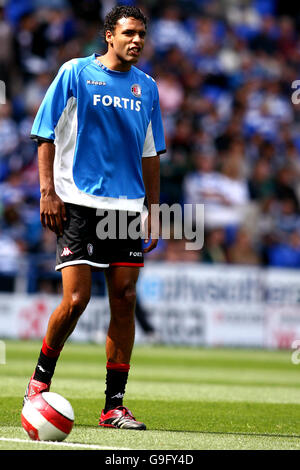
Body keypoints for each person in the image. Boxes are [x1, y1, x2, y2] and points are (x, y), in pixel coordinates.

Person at [23, 5, 166, 431]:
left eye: (141, 33)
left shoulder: (148, 88)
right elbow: (45, 133)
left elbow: (151, 153)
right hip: (77, 201)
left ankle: (113, 407)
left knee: (124, 300)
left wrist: (153, 211)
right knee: (76, 300)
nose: (136, 40)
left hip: (126, 209)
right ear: (109, 35)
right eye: (128, 33)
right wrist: (47, 191)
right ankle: (38, 381)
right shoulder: (75, 73)